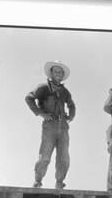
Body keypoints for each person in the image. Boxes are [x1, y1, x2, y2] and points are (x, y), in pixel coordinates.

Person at [25, 60, 75, 189]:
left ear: (63, 75)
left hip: (63, 127)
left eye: (60, 72)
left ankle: (59, 183)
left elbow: (71, 104)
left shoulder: (65, 91)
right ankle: (38, 181)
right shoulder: (43, 88)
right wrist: (40, 113)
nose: (58, 74)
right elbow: (29, 98)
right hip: (50, 126)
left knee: (64, 158)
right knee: (44, 157)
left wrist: (71, 115)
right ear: (51, 73)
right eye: (55, 71)